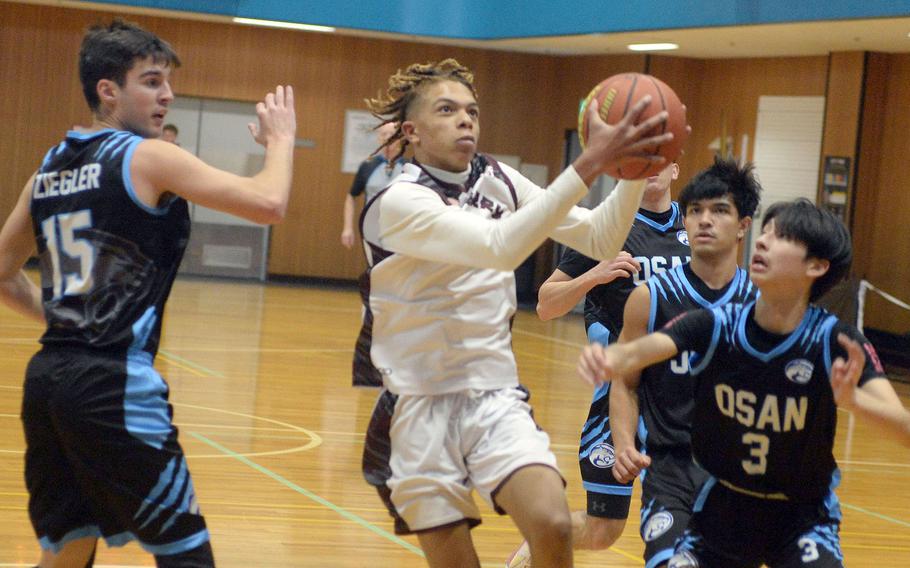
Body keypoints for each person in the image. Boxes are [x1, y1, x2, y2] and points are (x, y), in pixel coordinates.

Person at [355, 58, 680, 567]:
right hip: (417, 405)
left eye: (472, 111)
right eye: (448, 110)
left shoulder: (498, 178)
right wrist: (591, 161)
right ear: (412, 131)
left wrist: (635, 170)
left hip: (494, 396)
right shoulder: (396, 201)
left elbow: (599, 236)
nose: (466, 120)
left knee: (551, 522)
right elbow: (499, 246)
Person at [0, 20, 295, 567]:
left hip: (47, 382)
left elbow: (1, 270)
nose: (167, 95)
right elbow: (269, 204)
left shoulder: (47, 167)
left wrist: (67, 320)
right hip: (114, 383)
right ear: (108, 90)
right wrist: (281, 141)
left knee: (66, 553)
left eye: (168, 83)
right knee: (187, 557)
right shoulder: (146, 156)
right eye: (152, 82)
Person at [578, 199, 910, 568]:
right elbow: (641, 351)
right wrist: (608, 359)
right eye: (765, 231)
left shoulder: (835, 342)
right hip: (724, 509)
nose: (764, 241)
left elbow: (904, 429)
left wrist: (857, 402)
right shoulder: (718, 323)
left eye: (782, 236)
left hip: (801, 518)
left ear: (816, 266)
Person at [507, 161, 690, 567]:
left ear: (676, 168)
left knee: (690, 524)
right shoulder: (605, 230)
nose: (653, 168)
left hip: (681, 401)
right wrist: (596, 275)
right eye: (644, 161)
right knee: (602, 528)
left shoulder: (695, 231)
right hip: (621, 398)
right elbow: (545, 304)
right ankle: (527, 554)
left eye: (661, 159)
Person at [608, 158, 760, 568]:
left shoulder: (763, 306)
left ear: (744, 225)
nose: (704, 221)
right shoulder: (650, 297)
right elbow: (624, 382)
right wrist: (624, 443)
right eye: (695, 211)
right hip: (670, 470)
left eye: (720, 211)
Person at [341, 122, 405, 250]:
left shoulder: (409, 168)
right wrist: (347, 228)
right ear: (378, 138)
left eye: (391, 134)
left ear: (400, 139)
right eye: (383, 134)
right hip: (372, 229)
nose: (387, 138)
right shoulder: (368, 166)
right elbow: (351, 197)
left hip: (401, 229)